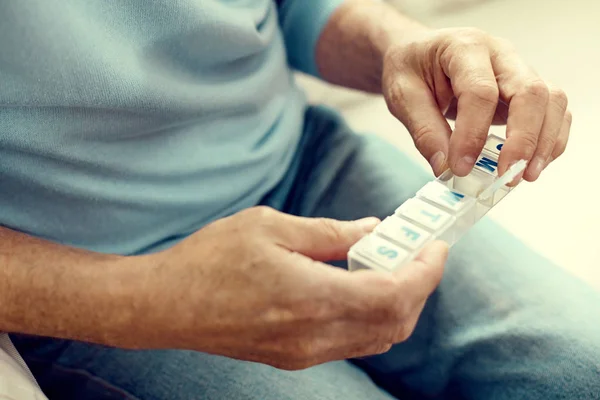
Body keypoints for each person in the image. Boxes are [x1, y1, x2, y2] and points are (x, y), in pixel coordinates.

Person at [1, 0, 598, 398]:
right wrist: (140, 299)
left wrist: (399, 43)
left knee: (583, 371)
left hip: (306, 162)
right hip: (100, 268)